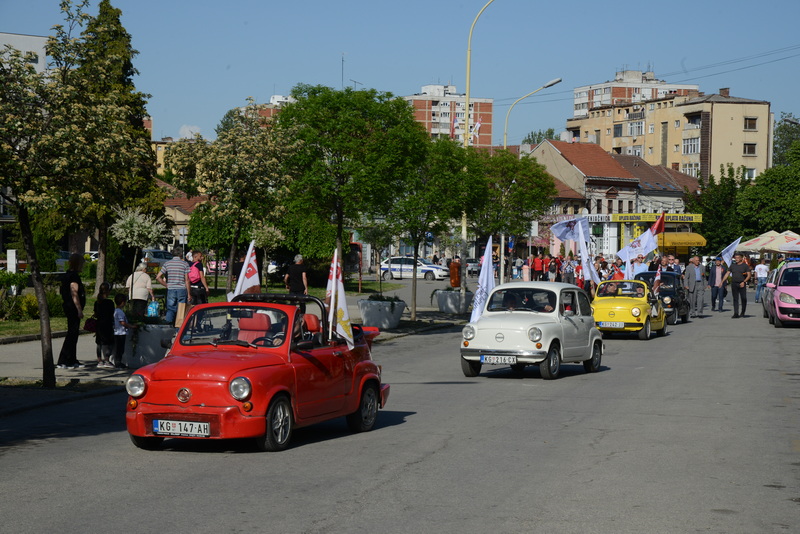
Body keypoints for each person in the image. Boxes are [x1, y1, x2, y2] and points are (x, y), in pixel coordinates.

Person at [56, 253, 86, 369]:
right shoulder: (73, 277)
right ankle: (63, 360)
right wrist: (79, 309)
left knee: (74, 334)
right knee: (72, 334)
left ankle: (72, 359)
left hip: (69, 307)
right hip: (72, 308)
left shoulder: (68, 275)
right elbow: (74, 294)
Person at [156, 247, 192, 324]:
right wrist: (189, 293)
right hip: (181, 289)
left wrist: (166, 285)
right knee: (181, 309)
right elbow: (187, 280)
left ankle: (168, 325)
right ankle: (179, 328)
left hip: (171, 289)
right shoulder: (185, 264)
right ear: (181, 254)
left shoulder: (167, 263)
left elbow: (158, 277)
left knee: (170, 308)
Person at [93, 282, 115, 369]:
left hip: (99, 324)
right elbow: (112, 313)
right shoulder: (109, 302)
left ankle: (99, 360)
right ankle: (106, 359)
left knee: (99, 343)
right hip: (107, 324)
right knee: (109, 343)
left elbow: (96, 313)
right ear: (108, 291)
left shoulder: (97, 302)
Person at [112, 293, 137, 368]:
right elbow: (122, 322)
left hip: (117, 332)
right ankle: (118, 362)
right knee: (120, 349)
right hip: (120, 333)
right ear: (123, 302)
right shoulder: (120, 312)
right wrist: (131, 326)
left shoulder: (115, 311)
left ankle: (118, 361)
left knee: (118, 348)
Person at [725, 252, 751, 318]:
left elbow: (749, 275)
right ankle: (736, 313)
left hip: (742, 283)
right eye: (735, 258)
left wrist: (744, 282)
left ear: (741, 258)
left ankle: (743, 312)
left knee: (743, 298)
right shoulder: (732, 266)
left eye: (738, 258)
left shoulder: (745, 266)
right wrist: (722, 281)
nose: (736, 259)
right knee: (735, 299)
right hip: (734, 283)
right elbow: (727, 273)